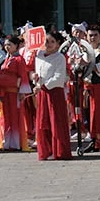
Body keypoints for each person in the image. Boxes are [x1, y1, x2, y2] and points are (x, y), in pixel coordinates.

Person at [32, 31, 72, 161]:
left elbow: (59, 77)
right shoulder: (39, 55)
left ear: (58, 44)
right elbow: (36, 73)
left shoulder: (59, 57)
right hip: (42, 93)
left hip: (54, 93)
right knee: (43, 122)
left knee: (56, 122)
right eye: (46, 41)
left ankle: (59, 150)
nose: (48, 44)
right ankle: (46, 150)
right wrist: (35, 79)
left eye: (52, 42)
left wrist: (43, 84)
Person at [0, 35, 31, 151]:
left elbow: (23, 76)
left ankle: (16, 142)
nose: (7, 47)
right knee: (6, 117)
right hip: (5, 93)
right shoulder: (6, 59)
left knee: (15, 117)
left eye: (9, 44)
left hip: (14, 93)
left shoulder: (19, 59)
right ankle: (6, 141)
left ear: (16, 46)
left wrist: (22, 92)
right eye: (5, 45)